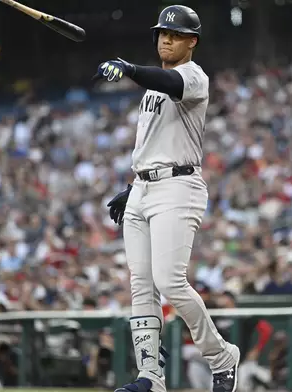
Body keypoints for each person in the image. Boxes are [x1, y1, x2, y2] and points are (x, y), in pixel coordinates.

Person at [93, 5, 240, 392]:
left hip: (178, 186)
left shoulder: (193, 77)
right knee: (141, 284)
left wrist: (128, 69)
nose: (166, 39)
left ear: (192, 42)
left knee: (170, 283)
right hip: (144, 186)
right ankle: (151, 376)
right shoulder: (154, 87)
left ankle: (221, 355)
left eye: (175, 35)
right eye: (162, 33)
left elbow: (167, 83)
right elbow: (154, 142)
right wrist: (134, 185)